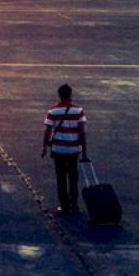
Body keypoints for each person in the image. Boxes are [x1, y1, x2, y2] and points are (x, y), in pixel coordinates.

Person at [41, 83, 88, 215]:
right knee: (73, 176)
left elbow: (48, 131)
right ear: (70, 95)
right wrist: (84, 152)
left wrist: (44, 147)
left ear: (59, 95)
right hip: (73, 149)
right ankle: (74, 203)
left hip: (59, 149)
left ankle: (64, 205)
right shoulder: (78, 111)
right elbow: (82, 133)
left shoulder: (52, 111)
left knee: (60, 177)